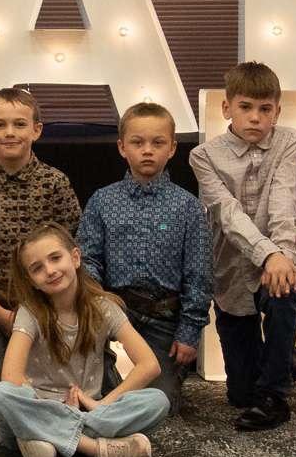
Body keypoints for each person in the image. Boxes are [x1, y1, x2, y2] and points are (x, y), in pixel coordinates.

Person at [187, 61, 296, 432]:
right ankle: (285, 359)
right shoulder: (204, 156)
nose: (255, 118)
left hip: (281, 258)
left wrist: (280, 255)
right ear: (226, 108)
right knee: (240, 394)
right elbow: (228, 215)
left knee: (281, 297)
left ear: (277, 111)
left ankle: (276, 395)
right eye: (246, 107)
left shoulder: (288, 141)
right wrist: (265, 252)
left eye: (265, 109)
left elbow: (284, 201)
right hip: (231, 266)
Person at [0, 225, 170, 457]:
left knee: (157, 401)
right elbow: (10, 376)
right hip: (38, 406)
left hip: (87, 409)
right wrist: (49, 408)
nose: (50, 271)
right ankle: (93, 448)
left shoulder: (104, 307)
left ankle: (43, 439)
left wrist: (101, 404)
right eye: (37, 268)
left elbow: (149, 365)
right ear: (32, 281)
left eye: (55, 258)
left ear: (75, 257)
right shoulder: (29, 313)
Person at [78, 101, 212, 413]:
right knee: (91, 391)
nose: (147, 150)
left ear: (173, 148)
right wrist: (99, 301)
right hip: (113, 310)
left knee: (160, 405)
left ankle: (121, 404)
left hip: (163, 317)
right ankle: (106, 399)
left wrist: (190, 331)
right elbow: (88, 259)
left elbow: (199, 273)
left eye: (158, 142)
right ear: (122, 147)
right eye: (138, 143)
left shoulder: (188, 207)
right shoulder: (103, 201)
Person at [0, 87, 81, 396]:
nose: (10, 132)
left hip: (49, 307)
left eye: (19, 124)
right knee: (4, 398)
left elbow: (70, 253)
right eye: (0, 125)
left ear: (36, 130)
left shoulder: (56, 183)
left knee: (54, 390)